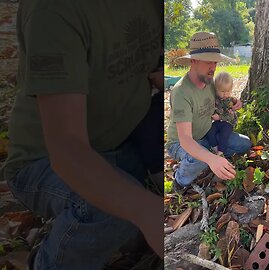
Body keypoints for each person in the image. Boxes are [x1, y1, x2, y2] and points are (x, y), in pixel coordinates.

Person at [2, 0, 163, 269]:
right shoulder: (52, 11)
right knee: (109, 210)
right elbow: (67, 149)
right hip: (43, 160)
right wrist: (147, 212)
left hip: (124, 140)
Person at [166, 32, 251, 189]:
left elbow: (223, 98)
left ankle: (209, 156)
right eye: (208, 62)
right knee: (200, 159)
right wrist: (211, 159)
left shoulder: (210, 82)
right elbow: (185, 139)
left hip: (207, 133)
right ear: (194, 61)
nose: (213, 67)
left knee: (244, 144)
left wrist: (234, 102)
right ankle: (180, 180)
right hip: (180, 143)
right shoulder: (181, 92)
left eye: (215, 62)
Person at [206, 72, 239, 157]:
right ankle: (214, 148)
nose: (225, 94)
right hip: (217, 122)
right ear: (216, 89)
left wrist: (220, 117)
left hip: (228, 122)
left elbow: (231, 116)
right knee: (210, 131)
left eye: (228, 91)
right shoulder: (215, 99)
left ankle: (221, 152)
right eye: (222, 91)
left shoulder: (230, 101)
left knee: (224, 135)